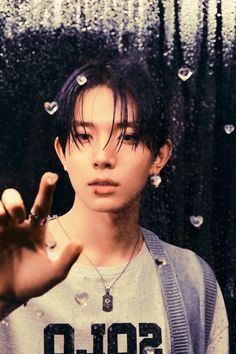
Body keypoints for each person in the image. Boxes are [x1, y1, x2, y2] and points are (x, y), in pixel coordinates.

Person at [0, 58, 228, 354]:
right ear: (62, 152)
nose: (103, 157)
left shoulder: (191, 279)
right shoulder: (10, 261)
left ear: (159, 157)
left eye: (128, 137)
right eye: (83, 136)